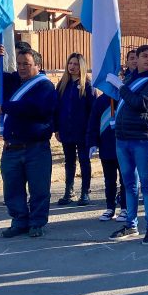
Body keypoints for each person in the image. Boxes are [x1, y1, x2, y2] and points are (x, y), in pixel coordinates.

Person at [0, 44, 57, 238]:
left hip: (36, 147)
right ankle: (19, 221)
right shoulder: (12, 81)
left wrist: (9, 107)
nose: (22, 67)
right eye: (20, 63)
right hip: (11, 147)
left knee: (38, 188)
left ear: (37, 65)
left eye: (27, 64)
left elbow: (38, 109)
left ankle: (37, 222)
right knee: (12, 189)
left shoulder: (45, 85)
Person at [107, 45, 148, 245]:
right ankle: (131, 224)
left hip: (143, 138)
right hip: (122, 138)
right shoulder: (131, 78)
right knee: (129, 184)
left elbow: (141, 103)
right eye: (144, 56)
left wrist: (121, 87)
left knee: (147, 184)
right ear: (137, 59)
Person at [55, 53, 95, 206]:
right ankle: (68, 191)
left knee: (84, 161)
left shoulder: (87, 85)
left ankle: (85, 192)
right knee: (69, 161)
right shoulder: (62, 84)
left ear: (82, 67)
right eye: (70, 63)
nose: (72, 66)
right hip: (66, 130)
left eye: (76, 64)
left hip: (83, 131)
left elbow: (93, 110)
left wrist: (91, 131)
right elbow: (57, 108)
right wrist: (56, 128)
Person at [86, 93, 127, 222]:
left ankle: (125, 208)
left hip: (124, 146)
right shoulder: (100, 101)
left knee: (125, 180)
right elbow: (93, 123)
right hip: (106, 147)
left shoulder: (125, 97)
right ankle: (110, 207)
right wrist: (92, 142)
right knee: (109, 180)